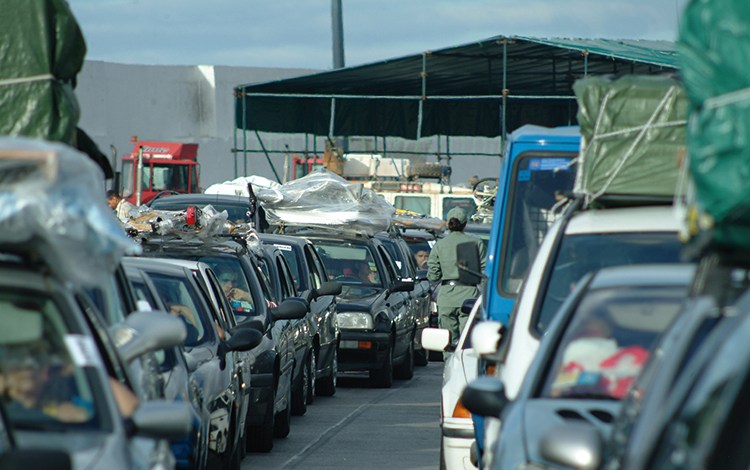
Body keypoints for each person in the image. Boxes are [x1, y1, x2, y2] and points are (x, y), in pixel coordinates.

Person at [427, 207, 487, 354]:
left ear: (448, 224)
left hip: (446, 298)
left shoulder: (440, 245)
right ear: (465, 224)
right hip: (469, 297)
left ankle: (449, 368)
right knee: (468, 343)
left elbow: (433, 275)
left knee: (447, 343)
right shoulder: (476, 243)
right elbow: (485, 272)